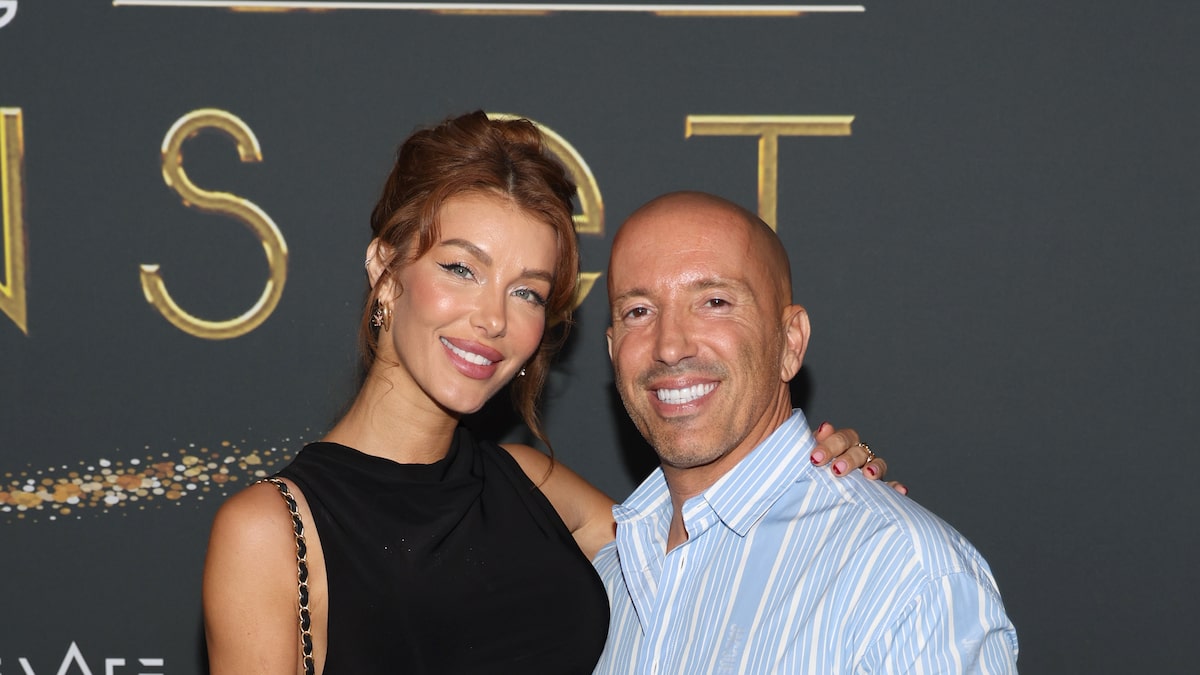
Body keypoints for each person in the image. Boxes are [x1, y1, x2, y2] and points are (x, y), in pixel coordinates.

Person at [201, 113, 883, 675]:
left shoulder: (534, 486)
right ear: (386, 268)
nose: (493, 318)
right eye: (461, 268)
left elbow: (722, 549)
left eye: (526, 291)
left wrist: (817, 475)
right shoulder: (271, 531)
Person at [593, 191, 1019, 674]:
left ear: (790, 342)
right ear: (612, 350)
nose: (670, 346)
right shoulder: (603, 583)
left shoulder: (904, 574)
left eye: (714, 302)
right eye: (638, 311)